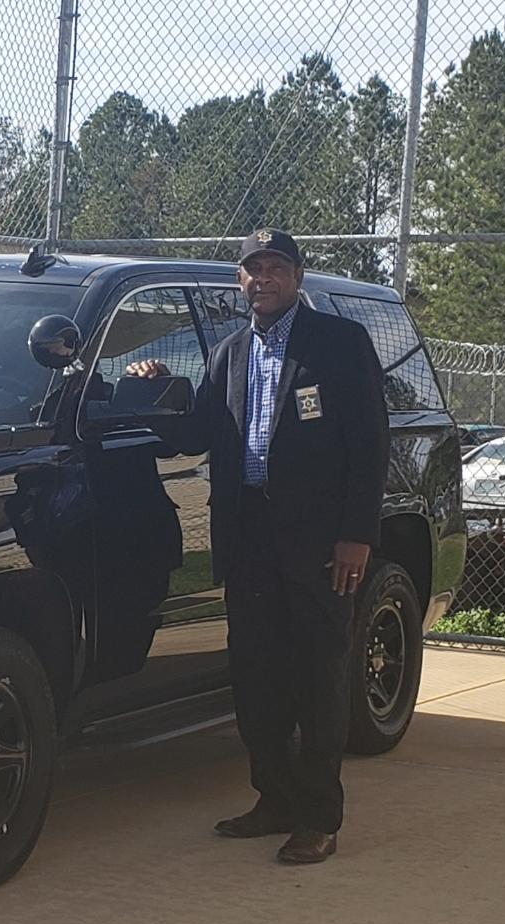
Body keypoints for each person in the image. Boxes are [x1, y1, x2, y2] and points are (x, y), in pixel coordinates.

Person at [127, 228, 388, 864]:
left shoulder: (339, 344)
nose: (263, 279)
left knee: (318, 675)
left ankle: (319, 818)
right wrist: (154, 386)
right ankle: (273, 799)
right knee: (256, 674)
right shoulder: (231, 353)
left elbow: (369, 443)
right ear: (240, 279)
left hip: (320, 543)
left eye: (275, 268)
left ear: (297, 276)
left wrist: (357, 535)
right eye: (253, 269)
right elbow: (197, 434)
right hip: (249, 538)